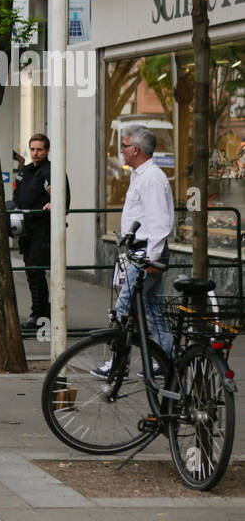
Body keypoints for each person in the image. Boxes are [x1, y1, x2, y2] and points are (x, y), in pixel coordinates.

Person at [113, 125, 174, 356]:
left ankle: (117, 364)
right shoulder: (142, 176)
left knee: (123, 309)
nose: (122, 150)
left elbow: (159, 221)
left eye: (125, 146)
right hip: (143, 252)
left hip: (146, 254)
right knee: (153, 310)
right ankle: (166, 360)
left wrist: (152, 258)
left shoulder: (152, 178)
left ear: (136, 149)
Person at [13, 133, 69, 330]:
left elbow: (62, 199)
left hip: (43, 230)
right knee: (31, 272)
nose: (35, 153)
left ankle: (41, 314)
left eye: (39, 150)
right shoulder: (25, 171)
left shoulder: (51, 171)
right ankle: (40, 312)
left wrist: (53, 204)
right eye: (33, 149)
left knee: (36, 271)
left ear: (47, 151)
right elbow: (17, 196)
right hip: (26, 229)